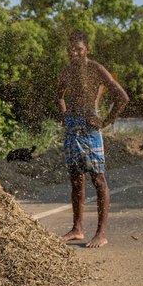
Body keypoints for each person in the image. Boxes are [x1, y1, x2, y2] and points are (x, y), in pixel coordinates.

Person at [56, 30, 129, 248]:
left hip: (90, 127)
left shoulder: (95, 69)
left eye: (78, 49)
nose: (74, 52)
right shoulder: (67, 72)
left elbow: (122, 97)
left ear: (87, 49)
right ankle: (77, 229)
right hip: (73, 126)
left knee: (98, 179)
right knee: (76, 178)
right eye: (71, 49)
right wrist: (65, 116)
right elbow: (58, 96)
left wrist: (104, 122)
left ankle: (101, 233)